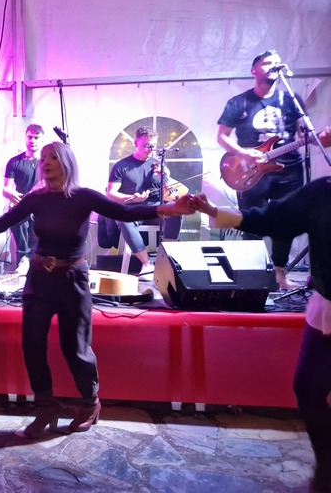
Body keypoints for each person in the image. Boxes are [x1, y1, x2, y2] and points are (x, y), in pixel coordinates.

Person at [0, 142, 193, 438]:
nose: (45, 162)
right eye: (43, 158)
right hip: (40, 279)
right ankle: (46, 408)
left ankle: (90, 403)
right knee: (32, 345)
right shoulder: (36, 198)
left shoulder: (83, 196)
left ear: (66, 161)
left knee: (75, 348)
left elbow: (125, 213)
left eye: (52, 157)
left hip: (72, 280)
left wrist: (170, 208)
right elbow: (3, 223)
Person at [191, 186, 331, 493]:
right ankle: (327, 470)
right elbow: (274, 218)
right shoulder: (324, 193)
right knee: (308, 389)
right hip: (328, 309)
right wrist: (214, 212)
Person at [217, 49, 306, 290]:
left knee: (286, 221)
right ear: (254, 70)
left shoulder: (291, 99)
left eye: (277, 62)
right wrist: (243, 153)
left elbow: (303, 132)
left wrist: (314, 136)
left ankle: (279, 275)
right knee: (252, 220)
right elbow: (222, 137)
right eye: (267, 63)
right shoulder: (239, 102)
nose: (273, 66)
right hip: (252, 170)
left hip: (289, 170)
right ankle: (254, 276)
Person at [106, 126, 182, 278]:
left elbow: (169, 192)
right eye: (146, 145)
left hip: (155, 208)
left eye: (153, 146)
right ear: (136, 143)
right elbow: (110, 193)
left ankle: (166, 258)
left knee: (176, 209)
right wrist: (131, 198)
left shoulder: (158, 165)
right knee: (123, 219)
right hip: (133, 209)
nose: (150, 149)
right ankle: (147, 264)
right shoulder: (121, 166)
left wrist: (164, 176)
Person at [3, 124, 44, 274]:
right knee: (21, 243)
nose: (32, 140)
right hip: (21, 206)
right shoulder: (14, 162)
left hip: (41, 209)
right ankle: (21, 269)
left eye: (36, 137)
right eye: (30, 137)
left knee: (39, 243)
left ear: (42, 140)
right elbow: (6, 188)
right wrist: (9, 193)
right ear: (25, 138)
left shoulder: (46, 162)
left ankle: (37, 270)